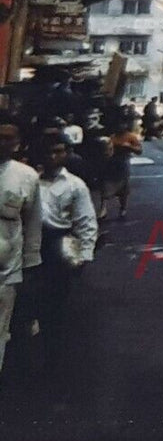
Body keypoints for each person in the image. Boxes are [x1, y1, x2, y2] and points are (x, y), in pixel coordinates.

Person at [26, 135, 97, 380]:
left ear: (66, 153)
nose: (53, 157)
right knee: (25, 304)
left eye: (58, 151)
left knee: (53, 307)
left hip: (57, 245)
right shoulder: (29, 179)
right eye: (49, 152)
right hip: (29, 244)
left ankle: (51, 361)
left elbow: (85, 221)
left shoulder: (74, 185)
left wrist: (84, 255)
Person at [0, 119, 40, 382]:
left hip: (7, 269)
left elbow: (33, 223)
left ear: (17, 144)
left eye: (7, 138)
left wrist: (30, 262)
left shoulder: (26, 176)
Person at [98, 120, 143, 221]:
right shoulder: (112, 136)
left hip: (123, 163)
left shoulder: (131, 137)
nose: (120, 126)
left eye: (122, 124)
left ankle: (123, 208)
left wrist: (129, 147)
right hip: (111, 163)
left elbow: (139, 150)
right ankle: (102, 209)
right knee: (104, 187)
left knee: (124, 188)